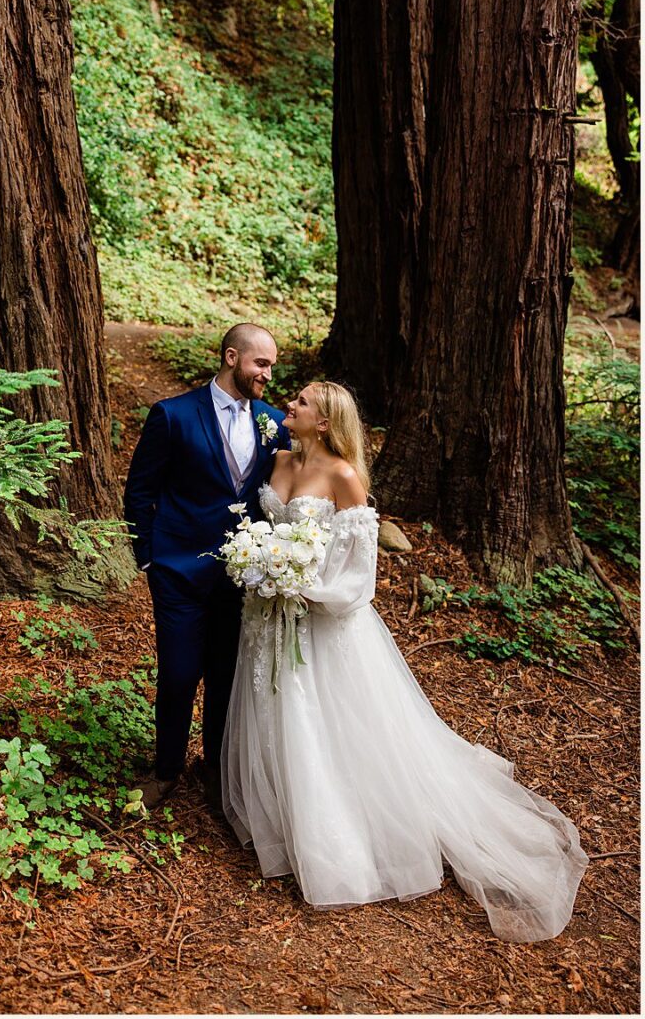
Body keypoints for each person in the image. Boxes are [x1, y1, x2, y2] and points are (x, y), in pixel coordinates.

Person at [223, 381, 587, 941]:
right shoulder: (278, 458)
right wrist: (261, 569)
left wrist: (302, 587)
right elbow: (268, 529)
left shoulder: (346, 476)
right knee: (277, 709)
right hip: (267, 616)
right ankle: (280, 819)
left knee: (326, 723)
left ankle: (337, 843)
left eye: (300, 402)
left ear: (324, 423)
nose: (287, 406)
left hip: (321, 621)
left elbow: (358, 571)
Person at [123, 323, 290, 810]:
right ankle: (167, 769)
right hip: (177, 571)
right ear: (232, 357)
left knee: (226, 676)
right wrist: (149, 556)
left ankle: (215, 768)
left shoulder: (274, 422)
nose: (268, 374)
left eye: (272, 366)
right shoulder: (172, 415)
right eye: (262, 364)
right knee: (178, 673)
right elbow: (140, 491)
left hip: (242, 578)